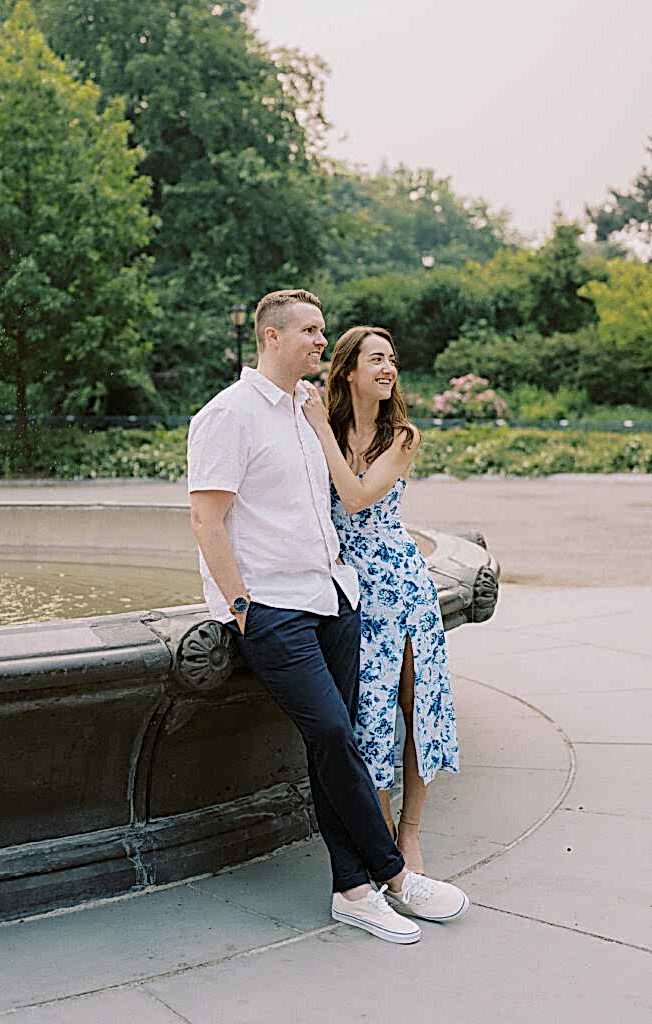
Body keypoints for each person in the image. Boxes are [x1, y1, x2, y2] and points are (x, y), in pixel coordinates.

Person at [188, 290, 467, 944]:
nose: (320, 340)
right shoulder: (228, 415)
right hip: (274, 612)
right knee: (338, 735)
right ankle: (395, 875)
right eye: (310, 331)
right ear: (270, 337)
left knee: (329, 746)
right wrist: (239, 610)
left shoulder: (301, 411)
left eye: (321, 332)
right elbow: (207, 518)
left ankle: (351, 891)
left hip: (333, 600)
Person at [300, 325, 461, 878]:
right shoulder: (323, 431)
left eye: (392, 359)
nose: (388, 368)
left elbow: (359, 495)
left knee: (417, 706)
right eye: (376, 359)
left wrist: (321, 430)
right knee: (369, 713)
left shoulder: (403, 436)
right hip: (349, 586)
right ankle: (384, 839)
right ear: (348, 371)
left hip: (403, 582)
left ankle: (410, 831)